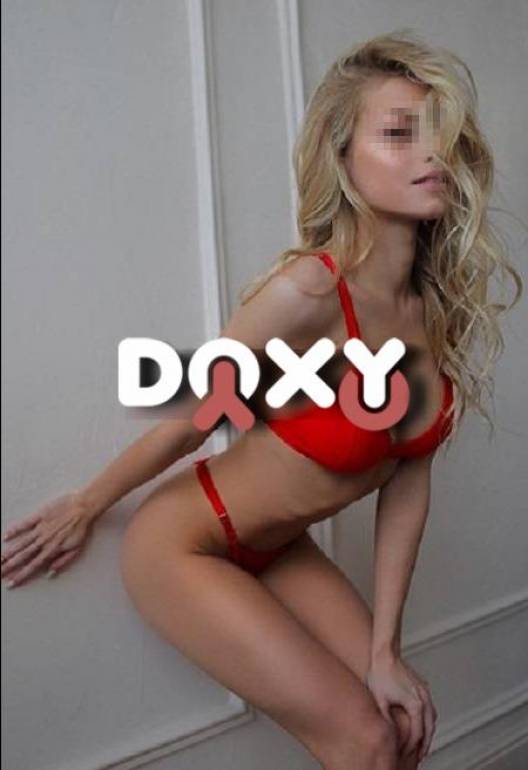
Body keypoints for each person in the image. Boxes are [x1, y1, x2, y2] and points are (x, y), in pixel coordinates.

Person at [1, 30, 522, 770]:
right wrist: (87, 504)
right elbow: (194, 415)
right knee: (367, 740)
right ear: (342, 157)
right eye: (398, 134)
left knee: (401, 730)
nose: (431, 152)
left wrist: (385, 650)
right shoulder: (310, 291)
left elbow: (408, 481)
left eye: (439, 133)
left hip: (281, 547)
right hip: (187, 541)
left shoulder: (433, 311)